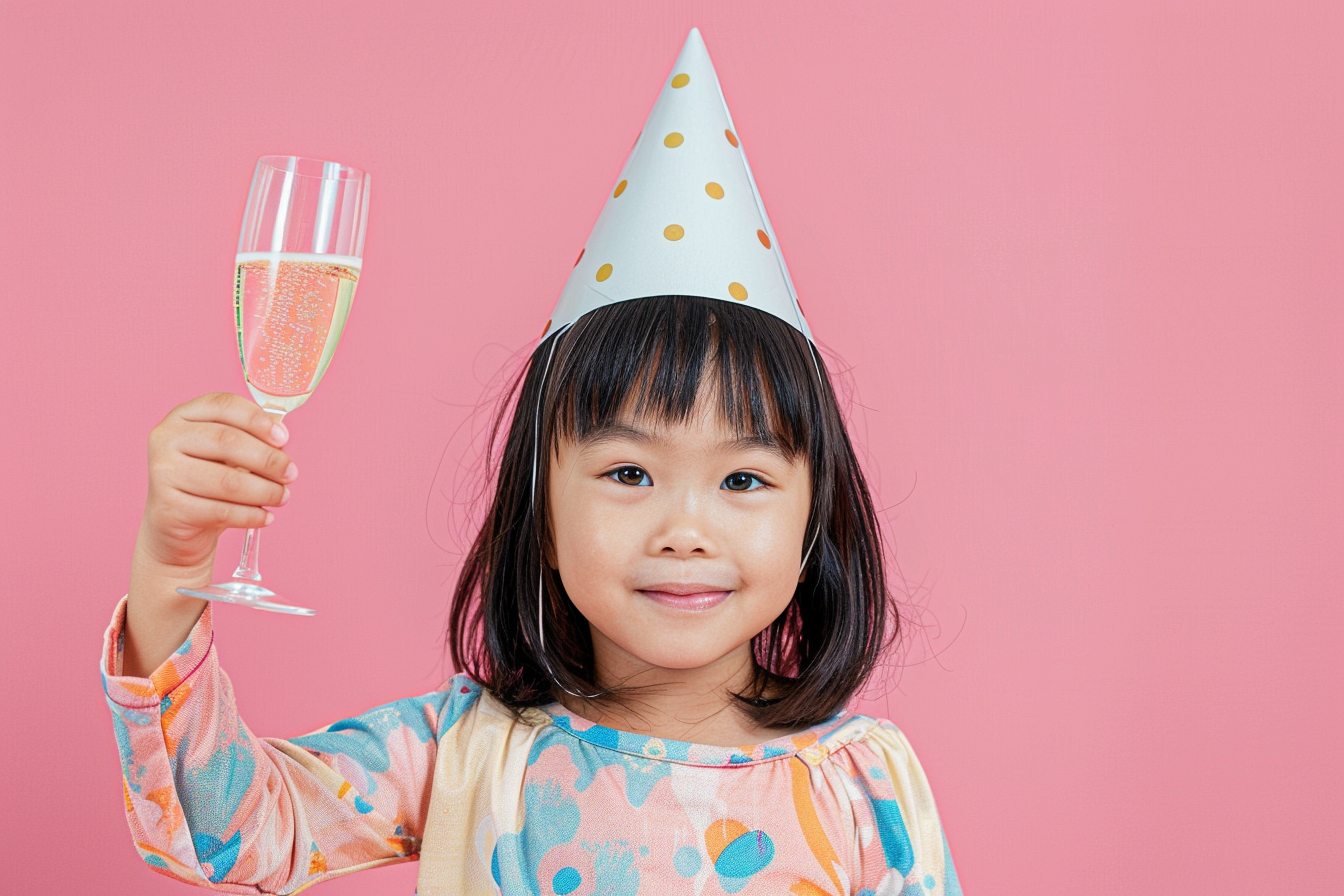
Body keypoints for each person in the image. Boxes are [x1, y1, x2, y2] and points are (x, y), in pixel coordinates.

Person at [100, 27, 963, 896]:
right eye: (629, 473)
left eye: (744, 480)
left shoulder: (863, 788)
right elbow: (225, 831)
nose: (686, 531)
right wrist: (172, 567)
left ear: (814, 521)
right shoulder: (466, 751)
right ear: (540, 517)